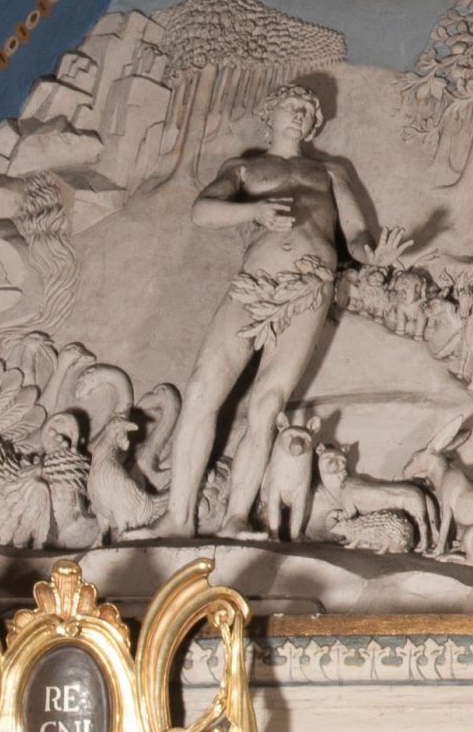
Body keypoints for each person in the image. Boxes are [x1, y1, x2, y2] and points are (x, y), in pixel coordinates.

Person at [158, 84, 374, 536]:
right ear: (268, 113)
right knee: (201, 388)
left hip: (308, 289)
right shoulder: (243, 168)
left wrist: (372, 252)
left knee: (269, 402)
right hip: (254, 283)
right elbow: (202, 211)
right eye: (291, 106)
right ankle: (177, 518)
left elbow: (355, 234)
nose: (299, 114)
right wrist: (253, 212)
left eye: (307, 111)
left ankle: (236, 517)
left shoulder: (329, 172)